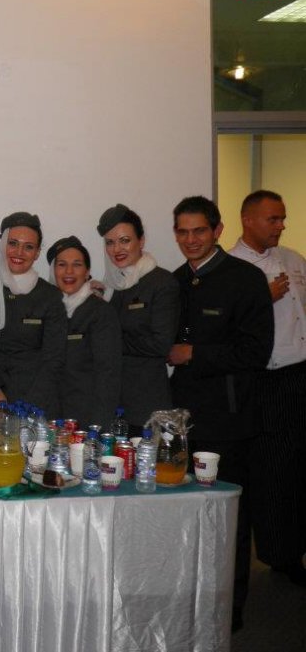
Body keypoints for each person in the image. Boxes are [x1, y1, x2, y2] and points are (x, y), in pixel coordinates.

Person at [168, 195, 273, 632]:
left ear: (217, 231)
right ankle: (192, 602)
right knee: (188, 516)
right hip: (182, 422)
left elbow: (256, 352)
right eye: (183, 232)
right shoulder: (174, 281)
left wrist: (195, 353)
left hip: (229, 421)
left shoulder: (246, 279)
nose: (191, 239)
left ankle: (230, 610)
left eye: (199, 231)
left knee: (230, 517)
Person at [228, 190, 306, 587]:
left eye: (282, 218)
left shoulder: (294, 259)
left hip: (300, 374)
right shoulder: (232, 267)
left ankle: (294, 547)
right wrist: (262, 298)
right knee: (272, 471)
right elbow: (225, 329)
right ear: (248, 219)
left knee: (297, 469)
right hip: (264, 379)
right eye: (273, 219)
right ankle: (279, 554)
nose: (280, 225)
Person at [96, 204, 179, 426]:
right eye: (110, 242)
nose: (117, 249)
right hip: (112, 402)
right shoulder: (111, 285)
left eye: (125, 240)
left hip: (146, 403)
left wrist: (109, 339)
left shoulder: (161, 282)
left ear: (141, 241)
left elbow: (160, 344)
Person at [0, 212, 66, 417]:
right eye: (13, 243)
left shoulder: (50, 296)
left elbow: (53, 359)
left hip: (37, 403)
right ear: (3, 245)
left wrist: (27, 407)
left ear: (37, 252)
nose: (19, 252)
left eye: (28, 247)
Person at [47, 236, 122, 428]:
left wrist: (98, 427)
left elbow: (108, 375)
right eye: (62, 265)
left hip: (87, 419)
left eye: (77, 265)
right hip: (52, 417)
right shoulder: (49, 309)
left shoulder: (101, 312)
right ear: (54, 271)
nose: (69, 271)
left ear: (87, 271)